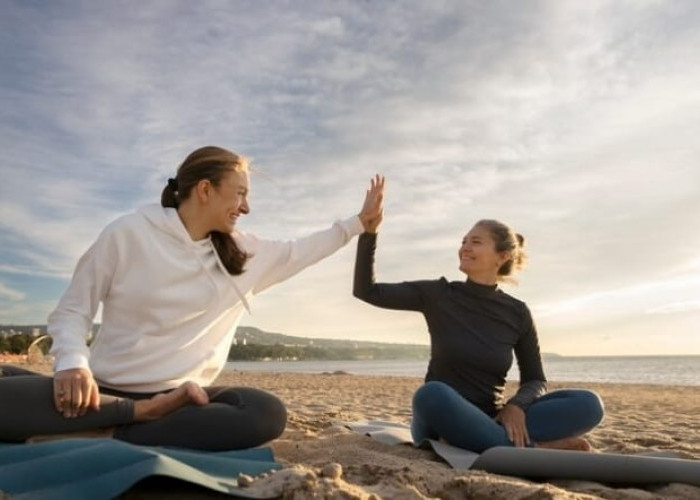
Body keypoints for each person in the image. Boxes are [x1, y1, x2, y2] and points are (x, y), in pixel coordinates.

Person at [0, 146, 384, 451]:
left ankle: (102, 430)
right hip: (100, 393)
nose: (246, 207)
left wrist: (357, 225)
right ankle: (128, 417)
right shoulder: (127, 233)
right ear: (205, 190)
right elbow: (72, 310)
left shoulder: (244, 253)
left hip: (182, 401)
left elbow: (301, 251)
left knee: (264, 412)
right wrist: (71, 364)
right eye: (240, 194)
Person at [353, 176, 604, 452]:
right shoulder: (438, 294)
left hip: (491, 419)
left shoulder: (517, 312)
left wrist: (516, 406)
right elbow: (367, 291)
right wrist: (369, 233)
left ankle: (489, 441)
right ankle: (534, 449)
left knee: (589, 404)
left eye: (475, 242)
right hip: (441, 415)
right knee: (431, 394)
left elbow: (535, 379)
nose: (465, 248)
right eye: (463, 241)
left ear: (503, 256)